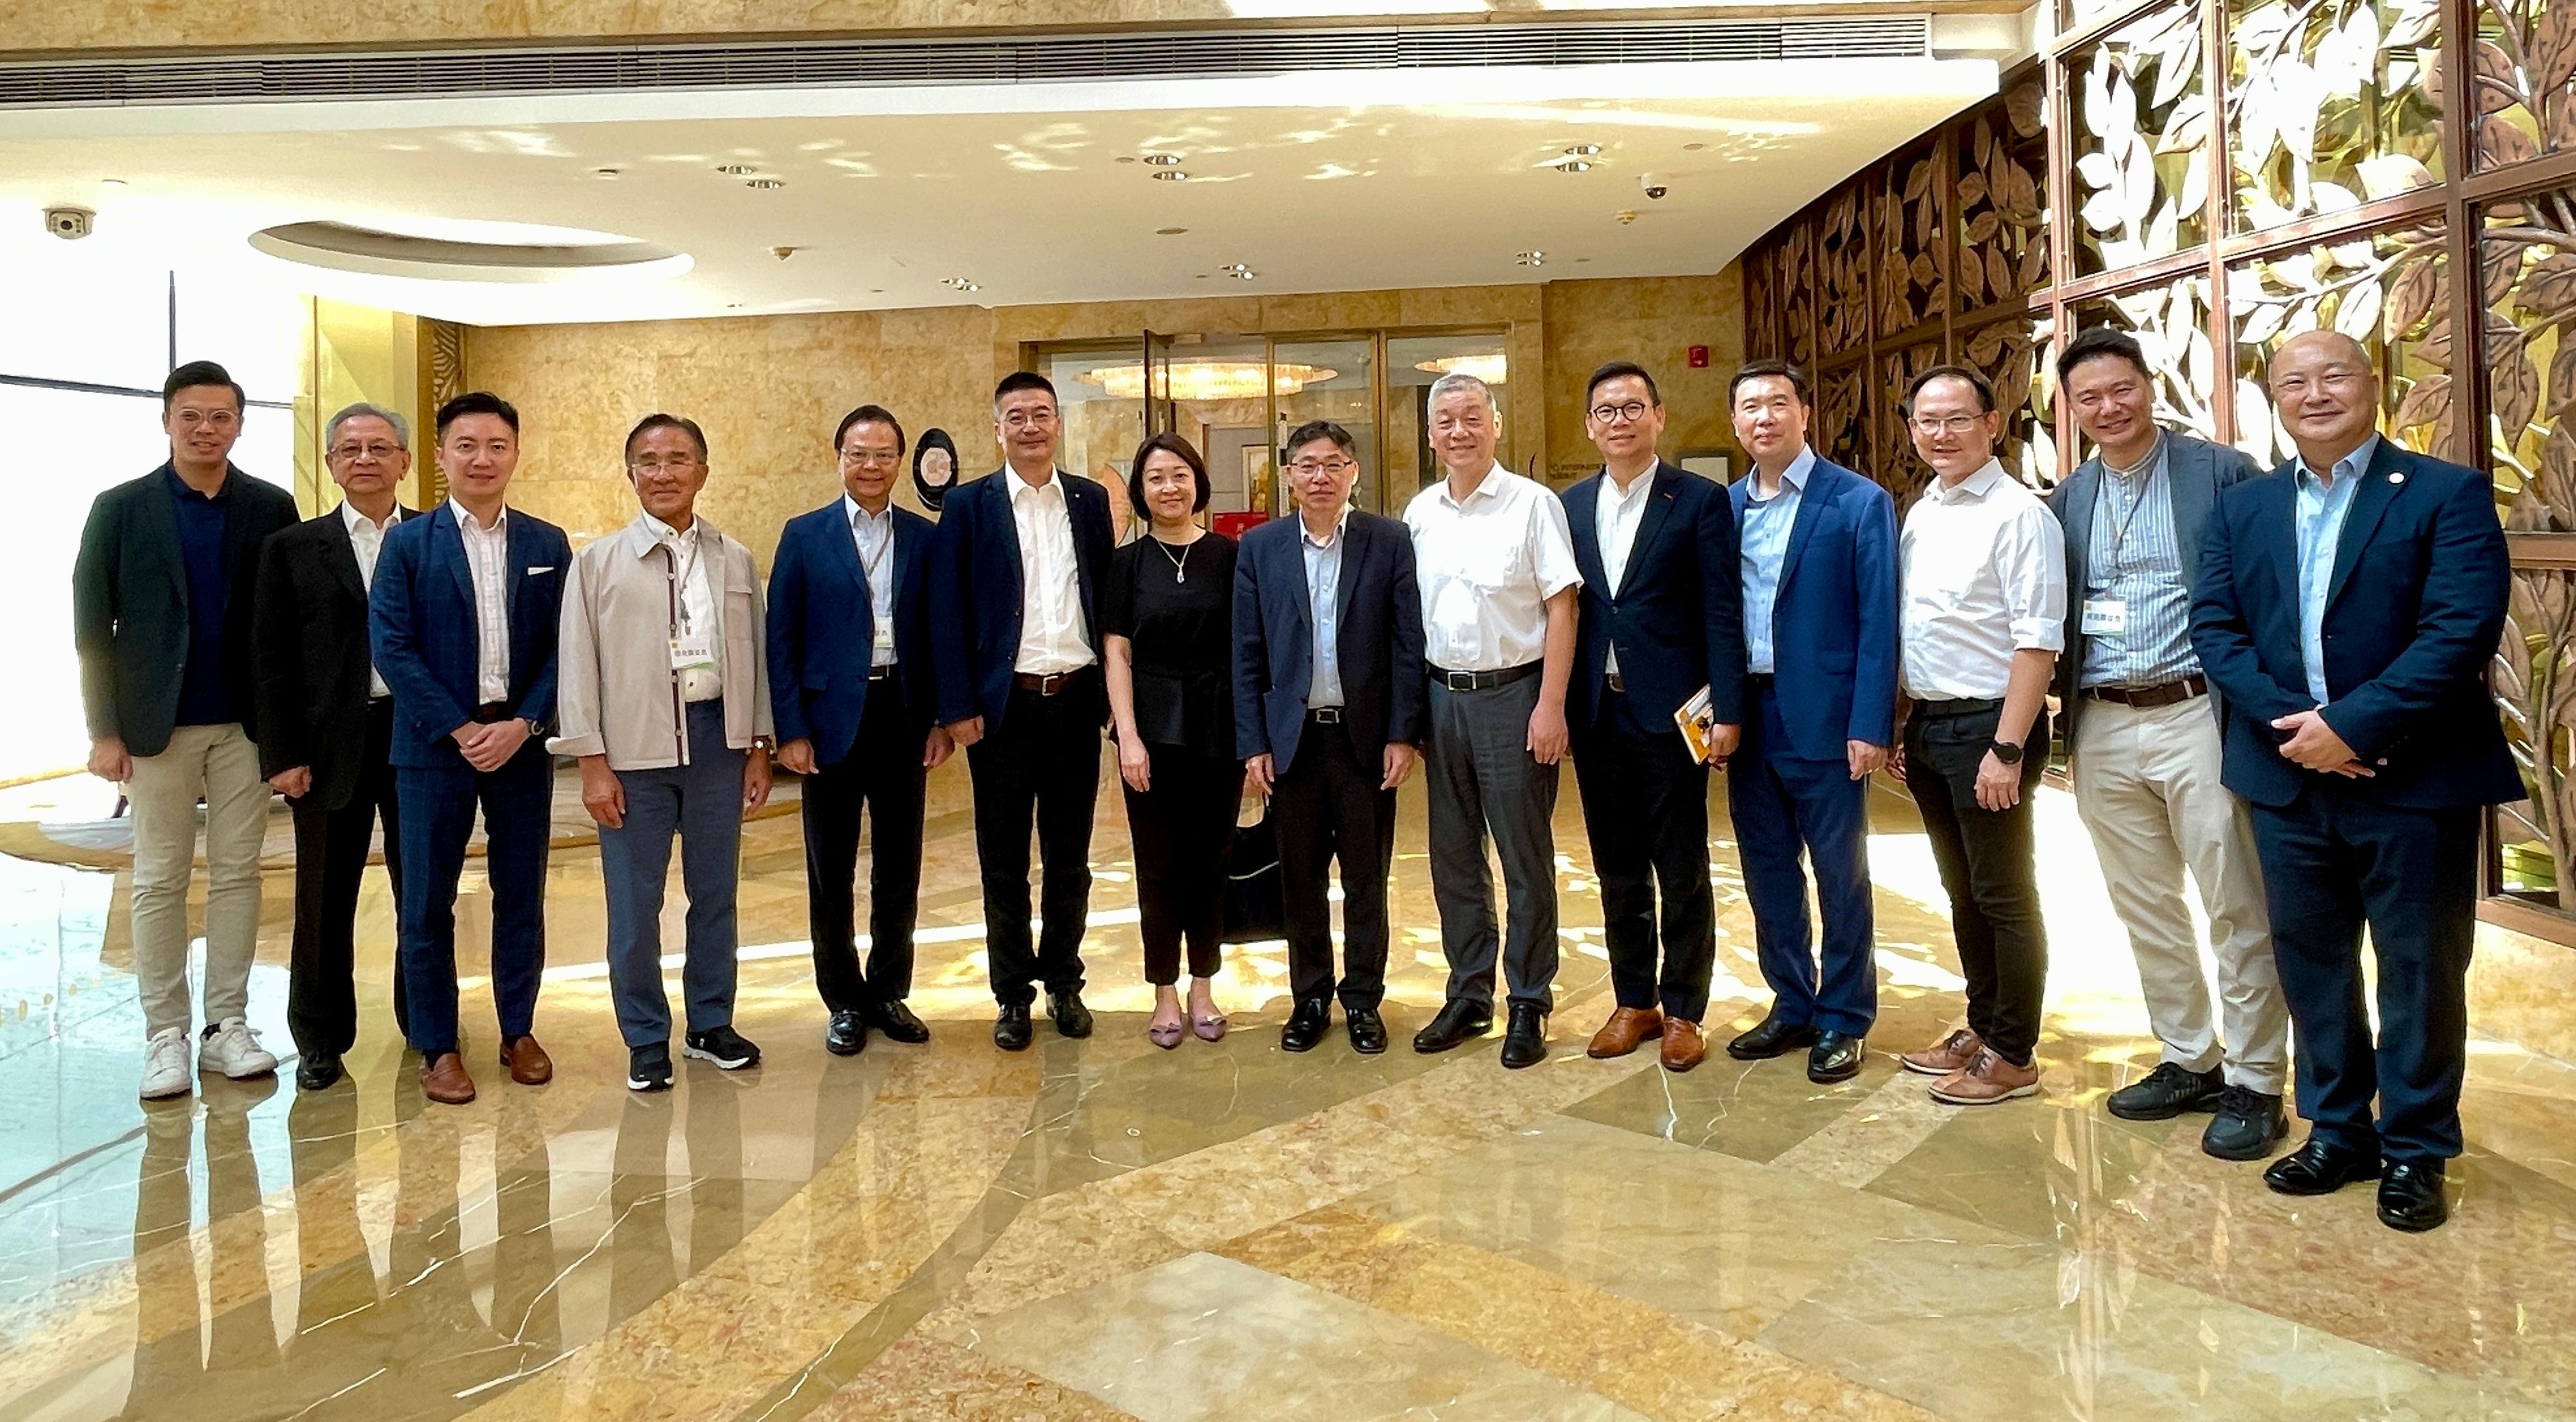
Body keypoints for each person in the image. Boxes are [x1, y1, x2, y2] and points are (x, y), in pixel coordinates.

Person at [2191, 330, 2517, 1232]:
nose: (2315, 392)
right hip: (2289, 778)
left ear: (2373, 386)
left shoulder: (2445, 493)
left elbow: (2460, 629)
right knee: (2314, 966)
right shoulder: (2244, 508)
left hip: (2415, 777)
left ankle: (2415, 1146)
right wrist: (2299, 731)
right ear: (2275, 400)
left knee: (2417, 969)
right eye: (2294, 380)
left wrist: (2353, 725)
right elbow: (2216, 629)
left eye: (2334, 374)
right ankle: (2339, 1129)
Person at [2048, 327, 2289, 1161]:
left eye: (2120, 389)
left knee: (2233, 897)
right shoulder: (2068, 496)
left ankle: (2257, 1077)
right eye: (2088, 398)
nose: (2107, 408)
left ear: (2147, 386)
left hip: (2197, 711)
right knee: (2142, 901)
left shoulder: (2217, 471)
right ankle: (2189, 1055)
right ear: (2070, 409)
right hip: (2102, 718)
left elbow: (2271, 582)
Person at [75, 360, 300, 1100]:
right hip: (153, 726)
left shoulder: (270, 506)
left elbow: (289, 624)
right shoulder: (120, 507)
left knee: (239, 873)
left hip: (244, 724)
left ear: (240, 423)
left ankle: (226, 1026)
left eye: (221, 417)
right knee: (159, 878)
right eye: (192, 416)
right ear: (167, 420)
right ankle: (164, 1034)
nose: (206, 429)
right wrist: (103, 729)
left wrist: (287, 733)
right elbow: (92, 628)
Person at [553, 413, 774, 1093]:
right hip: (631, 754)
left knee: (715, 896)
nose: (664, 472)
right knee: (634, 904)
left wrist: (758, 745)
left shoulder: (732, 558)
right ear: (630, 474)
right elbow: (576, 668)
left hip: (717, 745)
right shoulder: (596, 563)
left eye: (678, 459)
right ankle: (645, 1036)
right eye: (648, 461)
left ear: (702, 473)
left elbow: (756, 656)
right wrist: (592, 761)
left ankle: (710, 1023)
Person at [371, 391, 570, 1106]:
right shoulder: (407, 542)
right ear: (441, 456)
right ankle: (439, 1046)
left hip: (519, 743)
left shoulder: (548, 544)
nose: (481, 458)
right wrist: (459, 728)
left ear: (515, 452)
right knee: (425, 902)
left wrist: (524, 723)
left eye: (495, 445)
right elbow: (391, 647)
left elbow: (562, 649)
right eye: (466, 445)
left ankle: (518, 1030)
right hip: (432, 747)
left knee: (522, 892)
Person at [1561, 362, 1745, 1074]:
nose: (1619, 420)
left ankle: (1685, 1011)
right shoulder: (1569, 505)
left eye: (1632, 407)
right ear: (1589, 424)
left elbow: (1720, 608)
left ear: (1658, 417)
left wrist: (1726, 706)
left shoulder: (1698, 500)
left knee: (1681, 865)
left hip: (1672, 714)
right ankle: (1632, 1000)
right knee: (1615, 869)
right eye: (1605, 409)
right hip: (1597, 713)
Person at [1721, 360, 1901, 1084]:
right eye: (1748, 407)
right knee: (1765, 871)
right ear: (1734, 422)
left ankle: (1844, 1017)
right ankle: (1790, 1000)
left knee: (1838, 874)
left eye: (1775, 403)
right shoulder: (1724, 507)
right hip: (1747, 717)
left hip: (1827, 718)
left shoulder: (1856, 502)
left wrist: (1870, 723)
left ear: (1803, 412)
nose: (1762, 417)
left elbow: (1878, 618)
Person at [1890, 364, 2066, 1106]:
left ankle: (2014, 1051)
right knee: (1959, 889)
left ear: (1992, 423)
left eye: (1956, 418)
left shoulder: (2020, 515)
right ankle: (1982, 1023)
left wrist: (2007, 747)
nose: (1940, 434)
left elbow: (2037, 641)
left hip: (1989, 726)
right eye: (1926, 422)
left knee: (2002, 892)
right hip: (1931, 724)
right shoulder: (1921, 509)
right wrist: (1903, 723)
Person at [1404, 372, 1583, 1069]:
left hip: (1515, 697)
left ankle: (1529, 998)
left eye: (1471, 417)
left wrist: (1550, 705)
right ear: (1429, 434)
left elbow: (1562, 608)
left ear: (1496, 424)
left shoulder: (1533, 505)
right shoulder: (1418, 514)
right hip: (1440, 697)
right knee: (1452, 857)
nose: (1458, 431)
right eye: (1444, 420)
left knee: (1523, 858)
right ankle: (1468, 991)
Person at [932, 371, 1116, 1051]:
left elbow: (1104, 598)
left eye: (1042, 413)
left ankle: (1065, 983)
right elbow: (947, 614)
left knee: (1069, 858)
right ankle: (1011, 993)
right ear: (997, 427)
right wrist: (956, 706)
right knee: (1002, 860)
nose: (1031, 426)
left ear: (1057, 423)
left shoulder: (1090, 501)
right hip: (1002, 710)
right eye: (1017, 416)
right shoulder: (968, 506)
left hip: (1073, 701)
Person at [1236, 422, 1424, 1055]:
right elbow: (1246, 653)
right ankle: (1310, 996)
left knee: (1366, 880)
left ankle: (1363, 999)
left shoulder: (1388, 541)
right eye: (1307, 465)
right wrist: (1253, 742)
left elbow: (1406, 646)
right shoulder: (1259, 548)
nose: (1320, 476)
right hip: (1292, 745)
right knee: (1301, 879)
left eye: (1333, 464)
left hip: (1363, 741)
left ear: (1353, 473)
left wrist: (1404, 734)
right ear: (1288, 475)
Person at [770, 405, 950, 1056]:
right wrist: (788, 730)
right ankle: (842, 999)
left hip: (901, 714)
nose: (870, 465)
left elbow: (937, 636)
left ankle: (886, 991)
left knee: (899, 866)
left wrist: (936, 720)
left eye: (882, 454)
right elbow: (781, 639)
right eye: (858, 452)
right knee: (831, 869)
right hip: (827, 724)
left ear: (899, 462)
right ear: (838, 456)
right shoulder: (804, 535)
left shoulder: (924, 538)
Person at [252, 401, 419, 1091]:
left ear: (405, 462)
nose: (365, 459)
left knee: (424, 891)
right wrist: (281, 753)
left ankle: (429, 1021)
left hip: (419, 740)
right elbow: (270, 658)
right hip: (324, 747)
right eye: (349, 449)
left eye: (380, 447)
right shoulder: (292, 547)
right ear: (329, 464)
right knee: (323, 900)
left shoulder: (435, 539)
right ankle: (319, 1038)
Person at [1105, 433, 1241, 1047]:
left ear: (1198, 483)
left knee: (1210, 862)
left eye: (1180, 475)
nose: (1169, 488)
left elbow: (1247, 651)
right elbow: (1117, 653)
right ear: (1141, 490)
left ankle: (1204, 986)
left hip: (1218, 726)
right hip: (1150, 731)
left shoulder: (1230, 556)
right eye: (1156, 477)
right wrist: (1127, 737)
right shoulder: (1126, 564)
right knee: (1157, 864)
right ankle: (1162, 990)